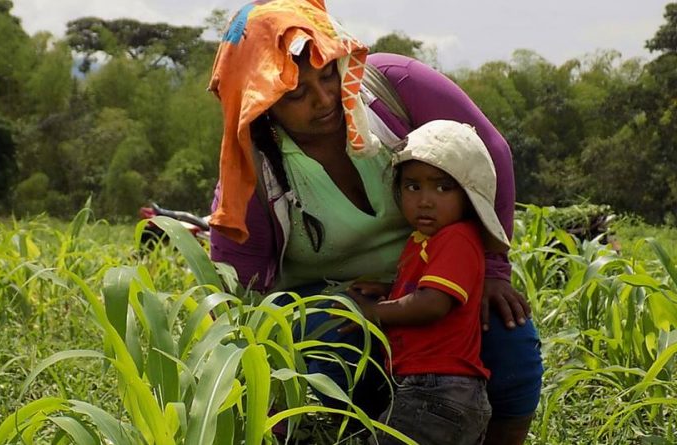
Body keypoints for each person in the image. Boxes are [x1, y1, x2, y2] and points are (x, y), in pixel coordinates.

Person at [207, 0, 543, 443]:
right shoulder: (252, 173)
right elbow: (240, 304)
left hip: (430, 280)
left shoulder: (394, 88)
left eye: (328, 74)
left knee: (508, 341)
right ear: (262, 101)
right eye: (296, 93)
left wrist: (494, 269)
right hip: (328, 302)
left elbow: (489, 150)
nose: (323, 99)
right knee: (335, 349)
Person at [342, 119, 507, 445]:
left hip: (437, 389)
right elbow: (424, 290)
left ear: (469, 196)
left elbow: (433, 304)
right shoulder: (424, 240)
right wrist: (389, 291)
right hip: (437, 390)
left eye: (443, 188)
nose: (425, 200)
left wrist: (373, 312)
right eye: (412, 186)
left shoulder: (457, 238)